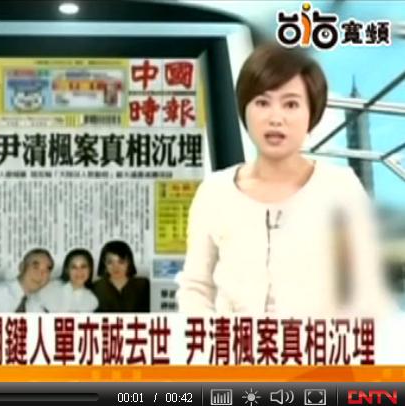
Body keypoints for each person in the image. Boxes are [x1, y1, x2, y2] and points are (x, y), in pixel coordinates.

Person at [176, 43, 392, 316]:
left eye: (291, 104)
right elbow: (195, 288)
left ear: (311, 113)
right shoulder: (214, 192)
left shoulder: (341, 188)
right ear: (244, 109)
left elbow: (364, 287)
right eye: (262, 102)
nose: (275, 118)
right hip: (234, 341)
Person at [0, 248, 53, 313]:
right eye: (35, 267)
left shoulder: (40, 312)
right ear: (22, 267)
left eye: (46, 271)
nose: (40, 274)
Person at [92, 240, 150, 312]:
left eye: (121, 262)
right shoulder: (95, 288)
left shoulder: (143, 285)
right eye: (110, 262)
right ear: (104, 263)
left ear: (129, 262)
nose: (116, 267)